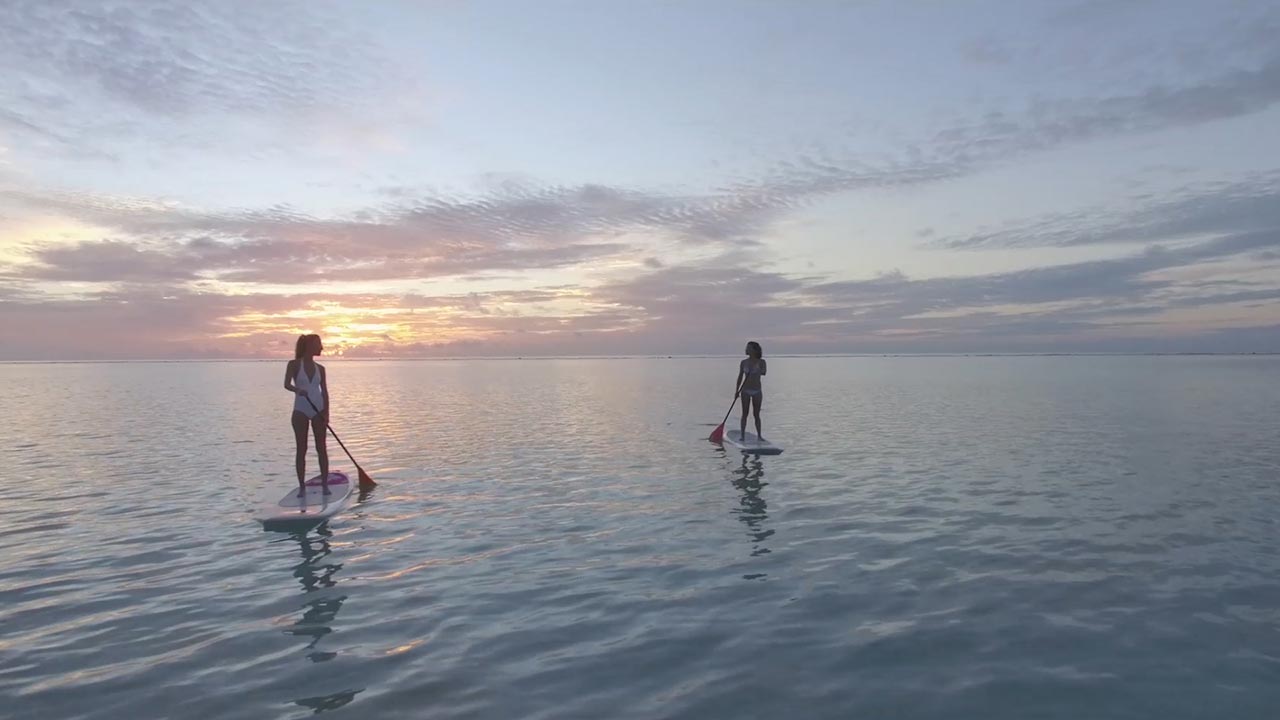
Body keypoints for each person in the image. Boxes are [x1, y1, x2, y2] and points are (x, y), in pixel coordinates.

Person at [284, 333, 330, 497]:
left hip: (318, 410)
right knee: (301, 449)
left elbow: (324, 392)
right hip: (300, 410)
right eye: (318, 344)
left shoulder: (321, 369)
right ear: (309, 346)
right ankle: (302, 487)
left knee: (321, 448)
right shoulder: (294, 365)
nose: (321, 347)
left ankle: (325, 486)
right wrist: (298, 390)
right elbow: (286, 384)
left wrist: (326, 414)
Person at [735, 341, 767, 441]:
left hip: (757, 390)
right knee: (745, 413)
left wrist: (757, 369)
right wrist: (737, 391)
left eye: (748, 348)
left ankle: (759, 436)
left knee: (756, 414)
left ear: (753, 350)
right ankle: (742, 436)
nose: (746, 349)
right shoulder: (743, 362)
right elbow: (740, 376)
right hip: (745, 390)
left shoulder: (761, 362)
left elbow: (764, 372)